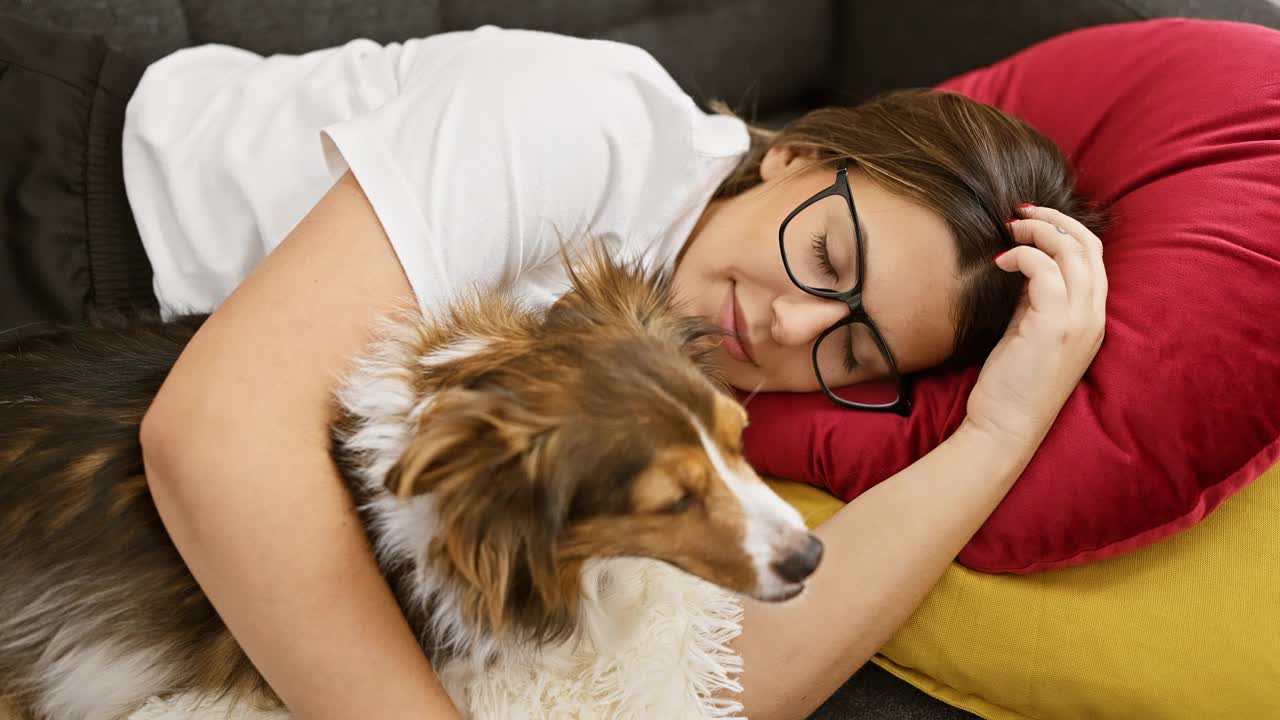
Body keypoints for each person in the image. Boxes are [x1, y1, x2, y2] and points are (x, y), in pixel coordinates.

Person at [0, 17, 1107, 720]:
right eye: (824, 255)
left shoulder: (690, 407)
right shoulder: (584, 119)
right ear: (801, 152)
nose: (783, 324)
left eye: (850, 349)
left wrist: (1000, 432)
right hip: (60, 200)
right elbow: (214, 437)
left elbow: (719, 687)